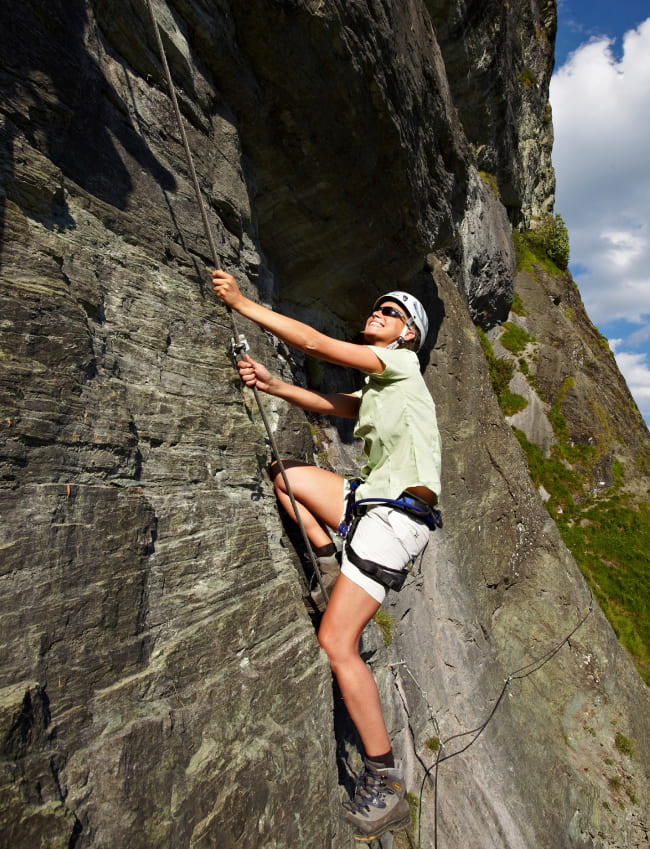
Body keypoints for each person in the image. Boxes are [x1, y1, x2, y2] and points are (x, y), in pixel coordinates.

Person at [212, 268, 442, 842]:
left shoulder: (403, 365)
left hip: (396, 520)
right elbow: (333, 404)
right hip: (369, 504)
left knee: (337, 644)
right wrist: (272, 384)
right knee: (288, 477)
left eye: (391, 313)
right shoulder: (382, 386)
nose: (378, 313)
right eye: (378, 307)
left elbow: (315, 345)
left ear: (407, 335)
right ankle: (326, 558)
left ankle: (385, 780)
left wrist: (244, 304)